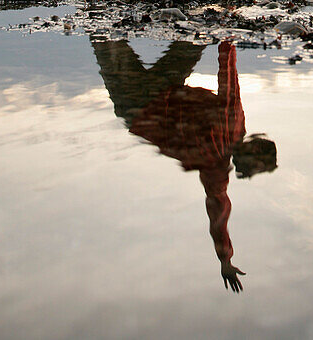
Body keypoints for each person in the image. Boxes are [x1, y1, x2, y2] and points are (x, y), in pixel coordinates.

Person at [91, 36, 277, 292]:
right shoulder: (221, 156)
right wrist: (225, 36)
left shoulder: (221, 160)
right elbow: (228, 71)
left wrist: (225, 258)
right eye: (256, 168)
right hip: (154, 95)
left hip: (139, 104)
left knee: (106, 35)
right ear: (255, 148)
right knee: (195, 34)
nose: (248, 174)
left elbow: (219, 212)